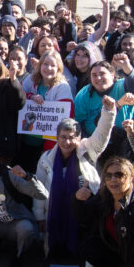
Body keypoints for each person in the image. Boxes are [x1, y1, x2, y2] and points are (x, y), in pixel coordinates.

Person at [35, 97, 117, 258]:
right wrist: (39, 217)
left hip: (84, 212)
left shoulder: (87, 151)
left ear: (79, 138)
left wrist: (108, 113)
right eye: (63, 137)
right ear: (56, 138)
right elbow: (38, 189)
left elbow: (101, 136)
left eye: (72, 137)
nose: (67, 141)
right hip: (54, 211)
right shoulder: (46, 159)